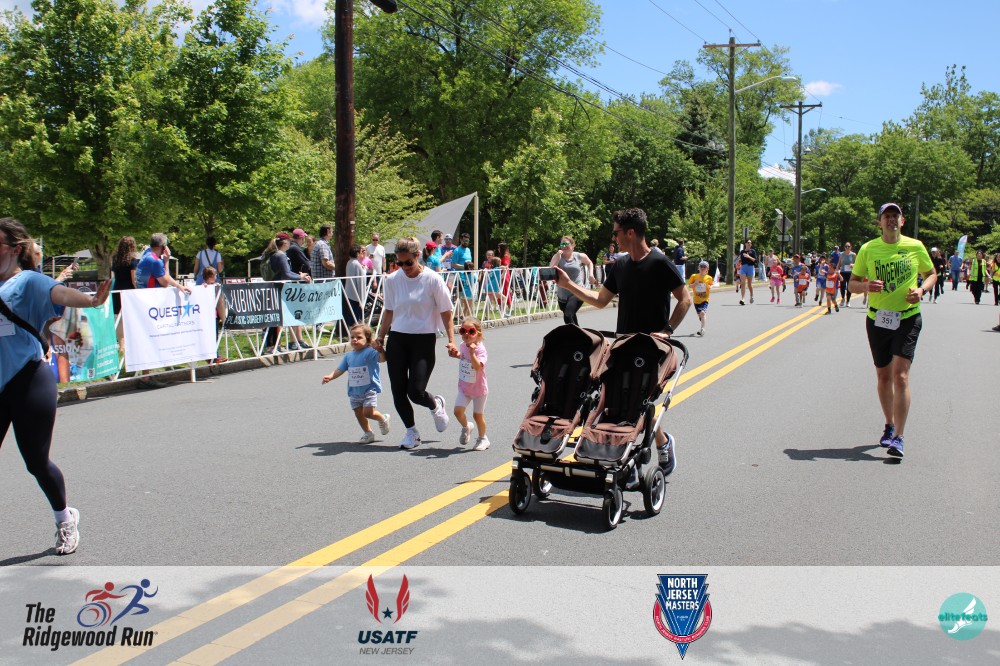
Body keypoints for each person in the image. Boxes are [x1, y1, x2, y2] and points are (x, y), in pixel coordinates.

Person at [1, 217, 112, 555]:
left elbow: (60, 293)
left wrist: (91, 301)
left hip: (28, 379)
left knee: (36, 461)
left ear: (14, 249)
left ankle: (65, 518)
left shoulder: (28, 281)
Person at [555, 208, 690, 477]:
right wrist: (568, 285)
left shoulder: (660, 263)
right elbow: (600, 300)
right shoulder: (620, 266)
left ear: (630, 233)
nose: (613, 238)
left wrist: (667, 330)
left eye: (616, 232)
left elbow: (685, 299)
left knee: (638, 402)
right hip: (623, 345)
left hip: (652, 348)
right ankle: (656, 444)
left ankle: (634, 460)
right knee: (622, 402)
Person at [848, 203, 935, 459]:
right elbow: (852, 283)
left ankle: (899, 437)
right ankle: (889, 424)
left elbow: (931, 274)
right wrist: (866, 287)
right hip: (878, 319)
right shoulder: (868, 249)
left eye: (895, 216)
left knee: (901, 376)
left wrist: (921, 290)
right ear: (879, 222)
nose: (891, 220)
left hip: (908, 318)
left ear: (902, 221)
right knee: (884, 376)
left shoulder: (915, 246)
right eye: (887, 216)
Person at [374, 237, 456, 450]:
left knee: (416, 392)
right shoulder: (392, 280)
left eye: (408, 262)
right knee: (398, 391)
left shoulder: (432, 279)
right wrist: (380, 336)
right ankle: (411, 432)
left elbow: (446, 311)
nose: (404, 267)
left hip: (423, 339)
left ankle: (435, 404)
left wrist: (452, 340)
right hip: (398, 339)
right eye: (399, 263)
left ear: (418, 256)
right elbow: (389, 311)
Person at [322, 323, 391, 444]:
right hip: (354, 391)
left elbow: (382, 359)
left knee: (368, 412)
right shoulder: (348, 356)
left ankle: (382, 418)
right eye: (352, 337)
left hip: (369, 389)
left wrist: (380, 350)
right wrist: (330, 376)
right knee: (359, 413)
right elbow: (340, 369)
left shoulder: (371, 352)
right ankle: (368, 433)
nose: (354, 339)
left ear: (368, 340)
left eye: (359, 337)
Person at [451, 316, 490, 451]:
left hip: (479, 390)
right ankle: (467, 426)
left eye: (471, 331)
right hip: (465, 388)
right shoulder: (463, 345)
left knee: (477, 415)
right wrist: (455, 354)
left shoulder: (480, 350)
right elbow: (463, 356)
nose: (466, 334)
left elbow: (478, 366)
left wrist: (472, 353)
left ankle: (483, 438)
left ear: (478, 334)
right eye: (463, 331)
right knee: (457, 412)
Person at [548, 236, 597, 325]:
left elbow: (589, 262)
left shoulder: (579, 256)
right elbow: (550, 272)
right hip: (563, 295)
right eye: (562, 244)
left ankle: (574, 333)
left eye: (566, 244)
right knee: (571, 318)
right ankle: (579, 333)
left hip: (578, 291)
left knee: (568, 315)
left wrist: (591, 275)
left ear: (573, 245)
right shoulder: (557, 256)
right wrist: (558, 258)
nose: (564, 246)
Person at [687, 260, 713, 336]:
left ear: (707, 269)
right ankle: (702, 321)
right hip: (696, 300)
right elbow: (689, 285)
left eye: (704, 267)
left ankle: (702, 329)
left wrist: (710, 287)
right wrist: (695, 284)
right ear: (698, 268)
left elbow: (711, 284)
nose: (702, 268)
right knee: (700, 315)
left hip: (705, 299)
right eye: (701, 266)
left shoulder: (709, 278)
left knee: (702, 313)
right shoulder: (694, 276)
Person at [345, 244, 368, 325]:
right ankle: (353, 329)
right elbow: (361, 279)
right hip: (356, 294)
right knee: (355, 316)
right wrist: (364, 270)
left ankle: (351, 328)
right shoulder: (356, 264)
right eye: (361, 251)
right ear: (357, 253)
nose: (362, 253)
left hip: (349, 292)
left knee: (352, 314)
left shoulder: (349, 262)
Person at [738, 240, 757, 305]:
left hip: (750, 267)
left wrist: (748, 256)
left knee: (749, 284)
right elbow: (741, 259)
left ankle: (751, 296)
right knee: (742, 283)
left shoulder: (753, 251)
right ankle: (743, 299)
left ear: (751, 245)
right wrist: (739, 261)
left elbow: (755, 260)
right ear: (745, 244)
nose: (749, 244)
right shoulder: (742, 251)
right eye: (748, 243)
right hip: (743, 267)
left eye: (750, 243)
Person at [838, 241, 856, 307]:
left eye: (848, 246)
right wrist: (837, 269)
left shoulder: (853, 254)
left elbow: (857, 263)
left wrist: (853, 265)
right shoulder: (841, 254)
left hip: (850, 272)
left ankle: (848, 301)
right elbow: (839, 262)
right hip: (843, 271)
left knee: (849, 287)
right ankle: (843, 298)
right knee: (842, 286)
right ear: (844, 247)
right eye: (846, 246)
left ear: (851, 247)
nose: (847, 247)